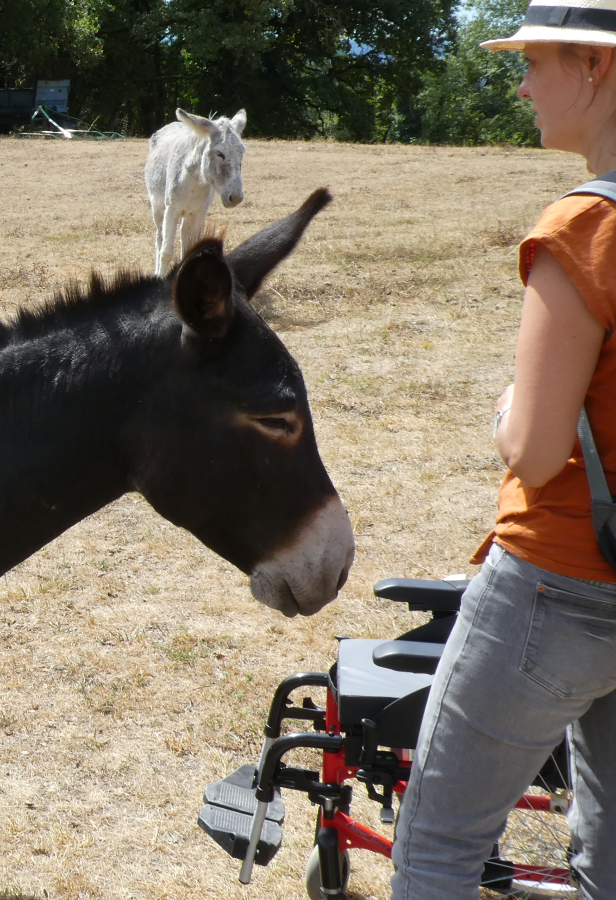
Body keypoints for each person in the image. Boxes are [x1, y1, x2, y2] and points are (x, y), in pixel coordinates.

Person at [391, 4, 616, 898]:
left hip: (555, 590)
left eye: (535, 64)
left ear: (595, 70)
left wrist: (510, 406)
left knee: (440, 850)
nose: (521, 85)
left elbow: (531, 451)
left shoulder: (581, 229)